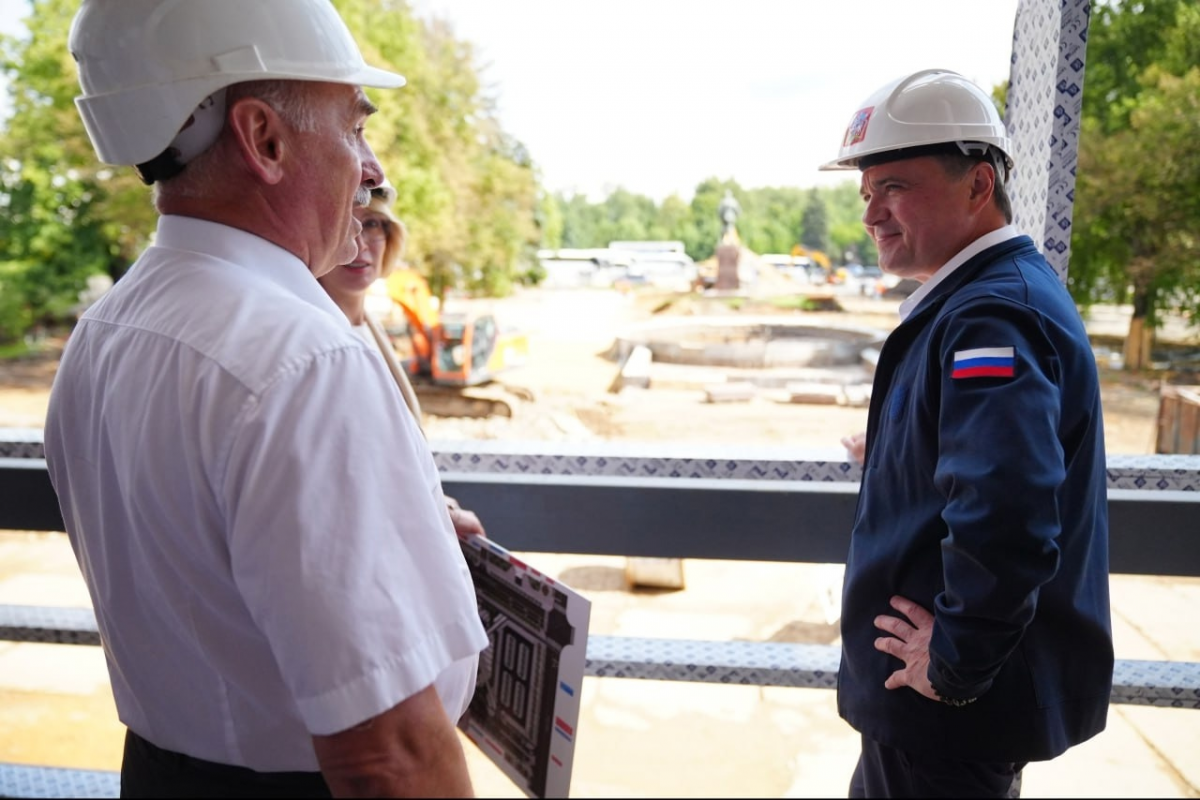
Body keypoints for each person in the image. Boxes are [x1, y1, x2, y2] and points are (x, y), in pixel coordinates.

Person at [44, 1, 487, 796]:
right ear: (264, 139)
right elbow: (389, 757)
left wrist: (398, 532)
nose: (371, 168)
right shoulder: (304, 360)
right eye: (355, 126)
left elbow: (208, 565)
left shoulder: (107, 328)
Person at [818, 69, 1113, 798]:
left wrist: (953, 664)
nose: (871, 214)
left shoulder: (991, 316)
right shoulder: (985, 297)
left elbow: (1007, 509)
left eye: (894, 187)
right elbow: (986, 458)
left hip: (945, 718)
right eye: (865, 192)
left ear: (979, 184)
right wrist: (901, 454)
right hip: (939, 718)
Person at [318, 183, 484, 536]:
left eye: (372, 224)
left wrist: (438, 506)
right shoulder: (317, 343)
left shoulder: (368, 326)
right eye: (346, 223)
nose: (360, 243)